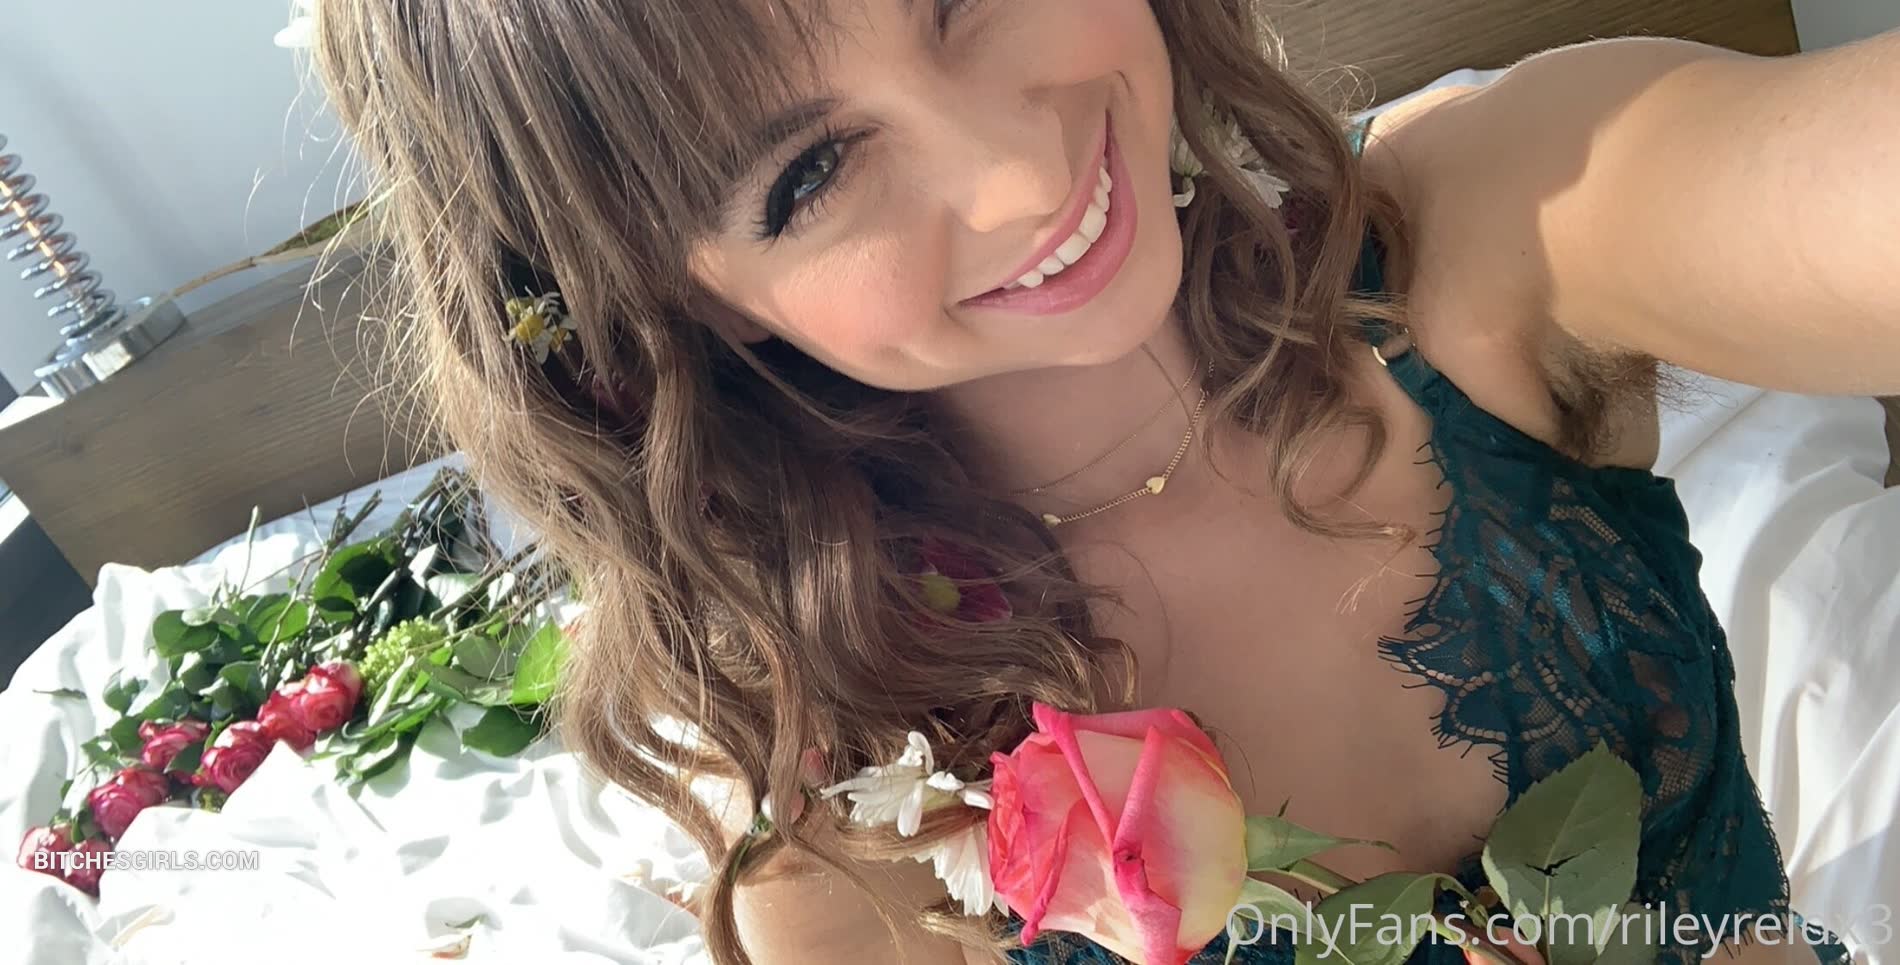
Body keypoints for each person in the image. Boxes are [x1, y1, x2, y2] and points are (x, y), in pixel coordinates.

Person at [308, 1, 1896, 962]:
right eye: (811, 173)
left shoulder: (1487, 225)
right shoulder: (839, 791)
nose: (1013, 172)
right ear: (684, 301)